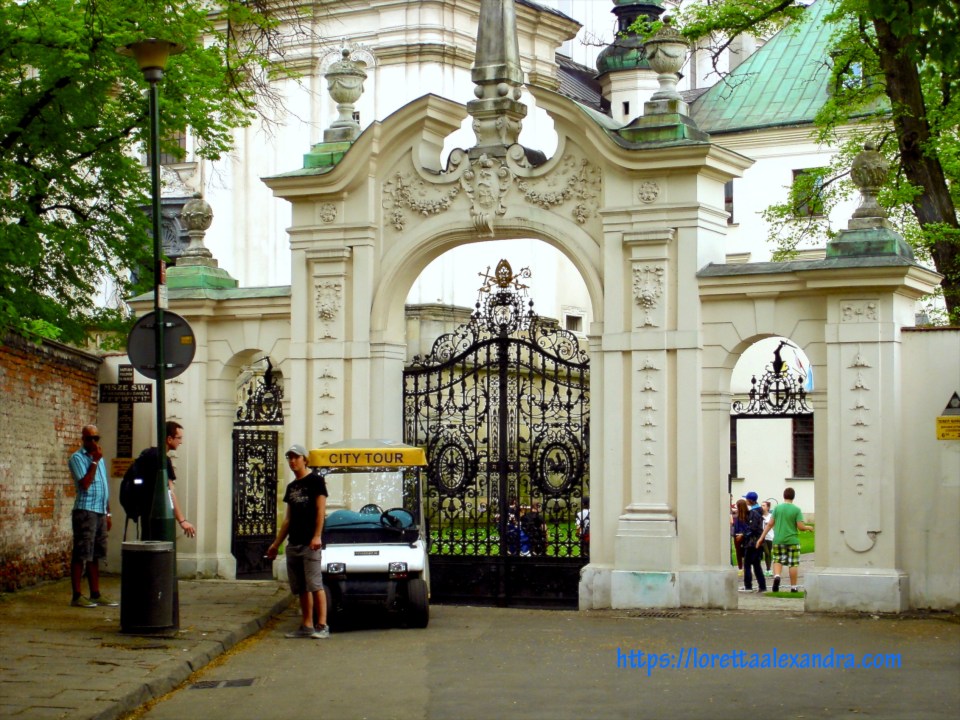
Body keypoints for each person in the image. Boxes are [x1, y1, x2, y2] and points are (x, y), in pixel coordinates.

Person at [266, 445, 329, 639]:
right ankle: (306, 625)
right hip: (294, 543)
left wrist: (317, 535)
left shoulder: (316, 481)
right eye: (289, 458)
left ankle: (322, 625)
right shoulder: (291, 487)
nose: (293, 461)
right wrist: (276, 544)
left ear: (305, 460)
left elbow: (320, 511)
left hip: (310, 543)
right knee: (301, 587)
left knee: (315, 585)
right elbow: (288, 519)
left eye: (296, 457)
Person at [67, 425, 118, 608]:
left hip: (99, 511)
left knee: (95, 554)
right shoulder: (77, 458)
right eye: (90, 439)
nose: (94, 442)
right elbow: (85, 484)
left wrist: (108, 512)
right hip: (85, 510)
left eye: (97, 438)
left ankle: (95, 593)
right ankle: (77, 595)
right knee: (81, 553)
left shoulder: (100, 458)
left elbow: (104, 486)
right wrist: (95, 462)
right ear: (83, 439)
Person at [132, 421, 196, 538]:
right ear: (169, 439)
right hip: (160, 514)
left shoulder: (147, 455)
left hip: (146, 511)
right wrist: (182, 520)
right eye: (179, 438)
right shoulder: (163, 460)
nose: (181, 442)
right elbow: (169, 492)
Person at [757, 487, 812, 593]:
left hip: (778, 540)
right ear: (793, 497)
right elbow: (800, 526)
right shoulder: (796, 509)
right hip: (792, 540)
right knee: (793, 564)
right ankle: (793, 587)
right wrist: (808, 528)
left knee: (777, 560)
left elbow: (770, 524)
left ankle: (777, 576)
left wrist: (761, 538)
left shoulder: (777, 508)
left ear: (784, 496)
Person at [739, 492, 767, 593]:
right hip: (755, 542)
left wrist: (743, 535)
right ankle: (761, 586)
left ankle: (749, 586)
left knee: (748, 564)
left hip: (753, 543)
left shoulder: (754, 513)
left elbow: (753, 528)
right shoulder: (756, 511)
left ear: (750, 500)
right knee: (756, 564)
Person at [732, 499, 749, 571]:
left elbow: (748, 527)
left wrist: (742, 534)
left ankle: (743, 567)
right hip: (737, 535)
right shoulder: (736, 515)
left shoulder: (747, 515)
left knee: (744, 552)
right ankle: (741, 568)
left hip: (744, 536)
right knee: (738, 552)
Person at [761, 500, 774, 575]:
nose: (762, 507)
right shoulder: (760, 515)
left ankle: (768, 569)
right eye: (761, 505)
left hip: (770, 537)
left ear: (768, 507)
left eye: (764, 505)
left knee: (768, 553)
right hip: (762, 537)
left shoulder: (771, 516)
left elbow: (773, 524)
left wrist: (768, 524)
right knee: (766, 551)